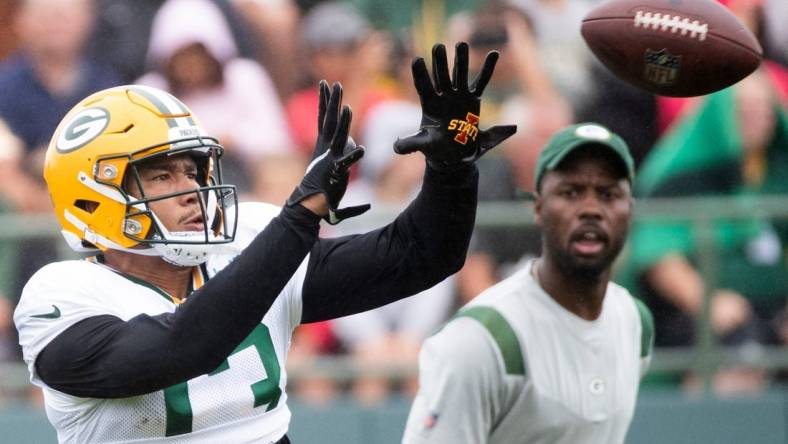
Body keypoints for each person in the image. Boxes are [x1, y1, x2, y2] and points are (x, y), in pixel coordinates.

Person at [13, 42, 515, 443]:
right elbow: (181, 346)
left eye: (193, 170)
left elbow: (421, 256)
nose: (191, 190)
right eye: (162, 177)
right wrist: (297, 221)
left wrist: (451, 170)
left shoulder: (246, 240)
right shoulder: (61, 297)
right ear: (94, 195)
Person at [403, 123, 653, 444]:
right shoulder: (481, 339)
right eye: (570, 192)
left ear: (629, 210)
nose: (591, 209)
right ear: (537, 207)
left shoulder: (634, 321)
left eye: (608, 194)